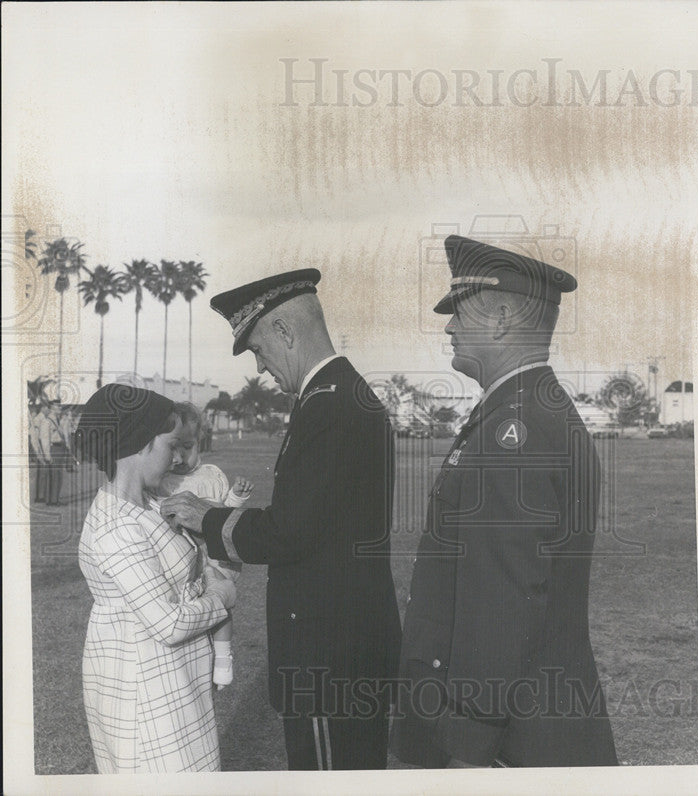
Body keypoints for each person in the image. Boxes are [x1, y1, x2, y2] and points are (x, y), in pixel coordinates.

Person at [391, 235, 619, 768]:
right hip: (535, 718)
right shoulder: (527, 412)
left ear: (498, 319)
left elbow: (503, 599)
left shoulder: (514, 429)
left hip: (517, 738)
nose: (448, 326)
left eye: (458, 313)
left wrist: (469, 747)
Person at [160, 269, 401, 770]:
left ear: (286, 333)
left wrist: (207, 518)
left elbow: (289, 532)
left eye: (257, 350)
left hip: (327, 654)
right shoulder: (339, 396)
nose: (261, 366)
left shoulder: (328, 407)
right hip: (350, 641)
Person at [73, 384, 236, 773]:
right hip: (144, 689)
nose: (178, 457)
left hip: (175, 677)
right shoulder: (116, 527)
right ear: (140, 444)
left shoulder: (147, 503)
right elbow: (168, 623)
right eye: (170, 445)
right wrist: (223, 598)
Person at [156, 402, 254, 689]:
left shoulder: (211, 475)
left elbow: (225, 515)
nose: (180, 456)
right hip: (183, 560)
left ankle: (224, 659)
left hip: (212, 556)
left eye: (187, 446)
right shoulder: (162, 482)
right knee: (191, 609)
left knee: (220, 605)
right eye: (172, 448)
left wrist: (236, 497)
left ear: (199, 441)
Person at [37, 401, 66, 506]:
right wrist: (47, 455)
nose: (60, 408)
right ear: (51, 408)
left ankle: (55, 499)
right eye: (57, 407)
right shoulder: (47, 421)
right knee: (53, 476)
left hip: (59, 449)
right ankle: (52, 501)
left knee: (58, 475)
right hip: (53, 449)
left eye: (60, 406)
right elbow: (45, 439)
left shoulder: (58, 420)